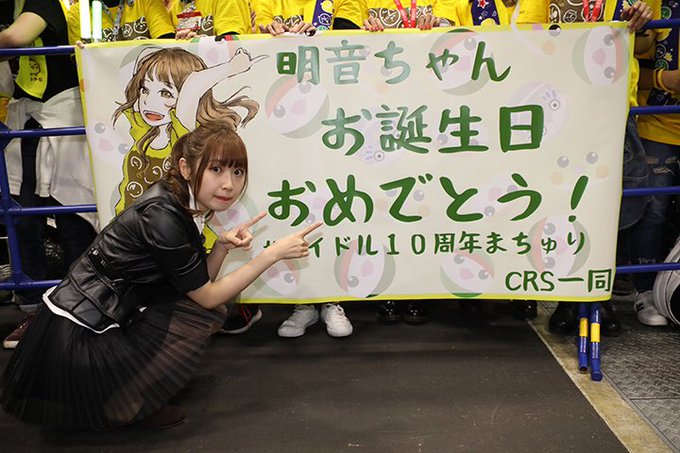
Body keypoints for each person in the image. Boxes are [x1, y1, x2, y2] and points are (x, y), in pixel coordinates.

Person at [1, 125, 322, 430]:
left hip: (106, 313)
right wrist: (271, 254)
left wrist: (222, 248)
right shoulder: (164, 215)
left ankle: (124, 388)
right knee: (206, 311)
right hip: (82, 331)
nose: (229, 184)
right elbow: (207, 295)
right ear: (185, 168)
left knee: (205, 310)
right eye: (216, 169)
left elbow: (197, 282)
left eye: (237, 172)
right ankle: (123, 403)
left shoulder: (179, 201)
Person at [517, 0, 659, 336]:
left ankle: (600, 297)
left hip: (613, 105)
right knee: (563, 202)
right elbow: (523, 34)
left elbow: (644, 46)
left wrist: (639, 23)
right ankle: (568, 297)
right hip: (559, 107)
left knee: (608, 206)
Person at [255, 0, 362, 338]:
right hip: (285, 117)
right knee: (294, 205)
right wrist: (271, 33)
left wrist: (317, 36)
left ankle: (331, 300)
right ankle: (303, 303)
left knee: (333, 205)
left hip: (335, 115)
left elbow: (352, 42)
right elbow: (252, 38)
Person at [0, 0, 98, 349]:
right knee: (22, 217)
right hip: (24, 118)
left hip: (64, 115)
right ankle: (34, 310)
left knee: (73, 219)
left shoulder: (46, 1)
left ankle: (79, 311)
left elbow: (15, 37)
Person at [362, 0, 458, 325]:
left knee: (424, 203)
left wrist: (441, 28)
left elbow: (465, 37)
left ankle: (419, 287)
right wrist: (364, 32)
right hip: (381, 112)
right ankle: (389, 286)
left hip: (429, 113)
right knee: (384, 201)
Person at [630, 0, 680, 326]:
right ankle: (645, 290)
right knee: (653, 208)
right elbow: (627, 64)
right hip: (657, 124)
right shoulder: (651, 5)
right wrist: (666, 79)